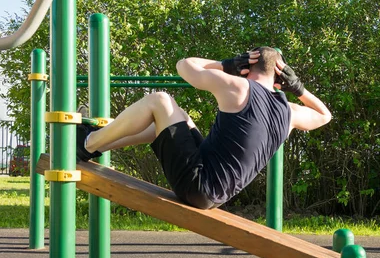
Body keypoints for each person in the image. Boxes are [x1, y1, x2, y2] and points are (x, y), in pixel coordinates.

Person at [76, 46, 332, 209]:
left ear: (247, 68)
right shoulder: (289, 114)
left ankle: (87, 143)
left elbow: (184, 65)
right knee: (178, 121)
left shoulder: (239, 86)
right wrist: (297, 88)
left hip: (200, 185)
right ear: (279, 80)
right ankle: (97, 143)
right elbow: (324, 115)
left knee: (160, 101)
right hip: (215, 191)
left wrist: (227, 64)